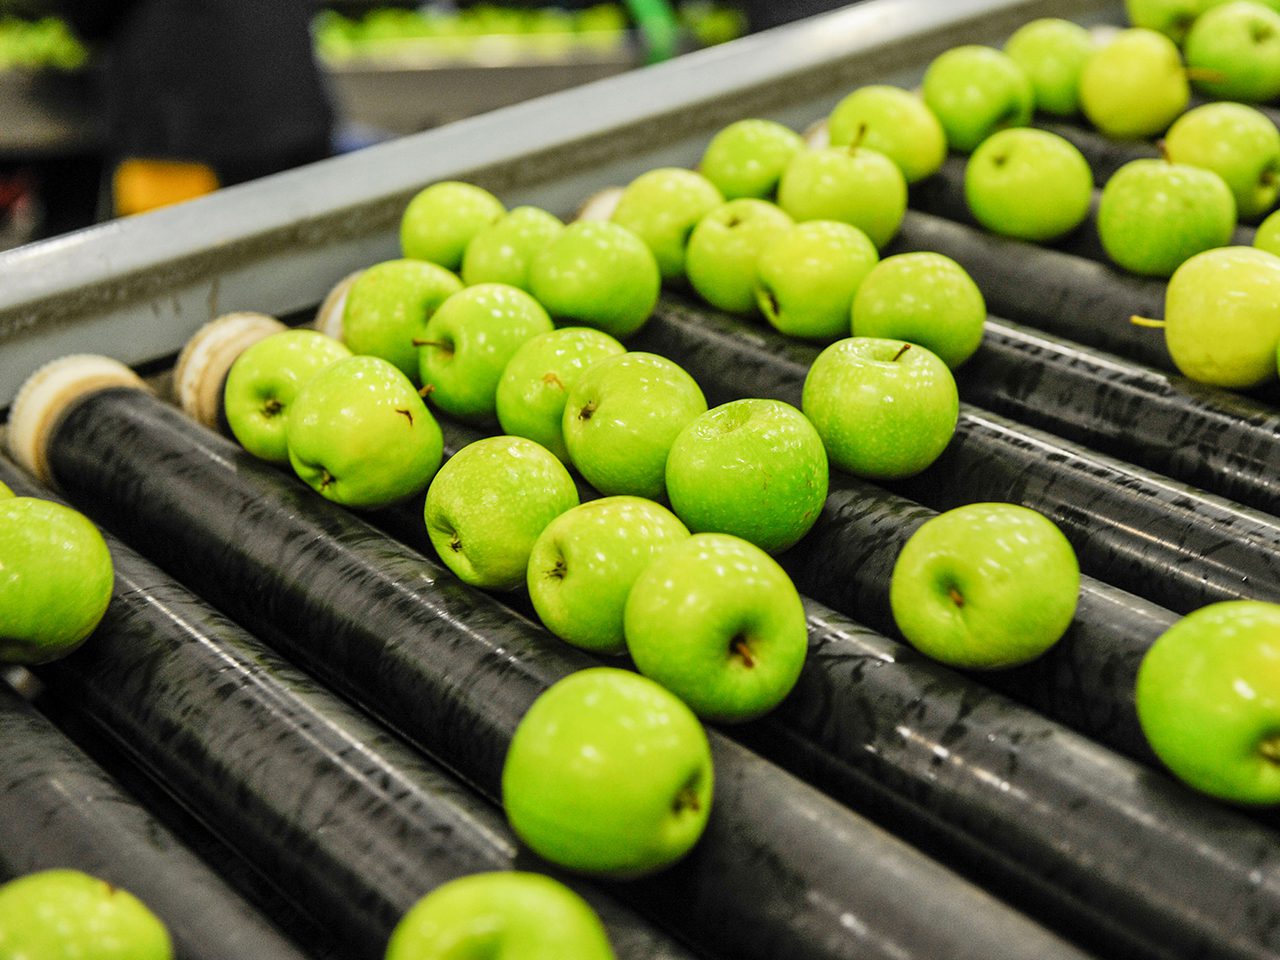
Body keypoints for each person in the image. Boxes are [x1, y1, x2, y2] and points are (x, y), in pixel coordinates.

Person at [57, 0, 334, 216]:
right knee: (296, 269)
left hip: (179, 134)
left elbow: (87, 17)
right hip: (293, 110)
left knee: (173, 272)